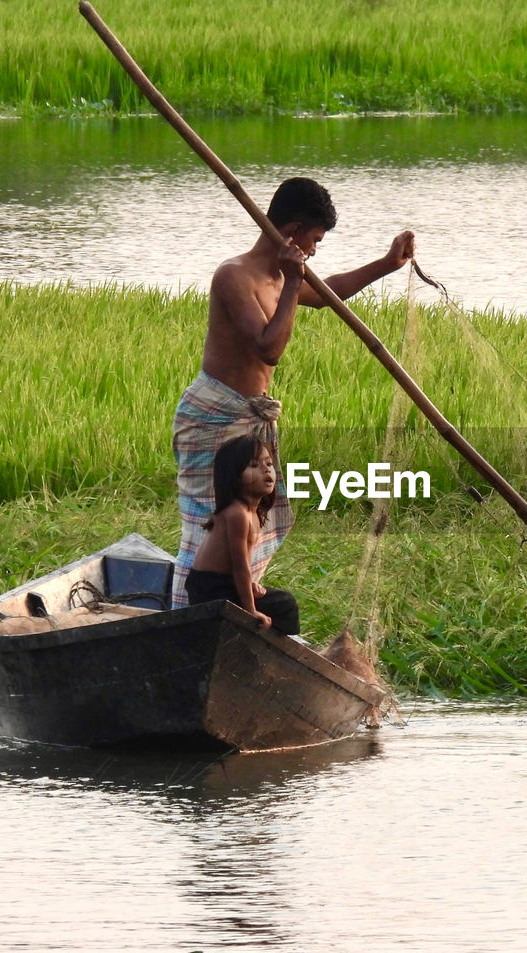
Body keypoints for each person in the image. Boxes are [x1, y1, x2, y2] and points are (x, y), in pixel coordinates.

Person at [172, 176, 414, 606]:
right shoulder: (234, 276)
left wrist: (386, 265)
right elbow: (268, 350)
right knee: (211, 525)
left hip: (251, 419)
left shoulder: (282, 278)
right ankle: (184, 616)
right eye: (315, 239)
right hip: (214, 416)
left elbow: (326, 294)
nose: (316, 251)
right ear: (293, 232)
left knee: (259, 517)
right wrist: (291, 277)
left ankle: (234, 607)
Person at [185, 436, 300, 632]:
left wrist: (251, 585)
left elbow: (242, 567)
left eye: (269, 464)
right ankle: (257, 643)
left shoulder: (252, 512)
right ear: (235, 476)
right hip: (211, 589)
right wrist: (250, 610)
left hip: (223, 584)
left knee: (283, 603)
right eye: (254, 465)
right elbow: (240, 568)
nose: (266, 470)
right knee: (284, 604)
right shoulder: (236, 513)